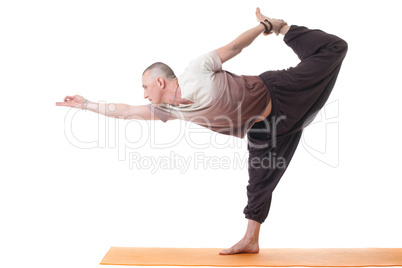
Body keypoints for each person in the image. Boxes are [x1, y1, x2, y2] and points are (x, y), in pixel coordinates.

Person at [56, 8, 348, 255]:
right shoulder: (170, 110)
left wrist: (267, 26)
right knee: (259, 183)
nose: (143, 94)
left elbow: (235, 47)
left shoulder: (196, 70)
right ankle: (251, 240)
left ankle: (286, 27)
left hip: (281, 92)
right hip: (266, 130)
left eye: (145, 87)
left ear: (160, 82)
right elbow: (126, 111)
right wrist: (86, 105)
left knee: (335, 48)